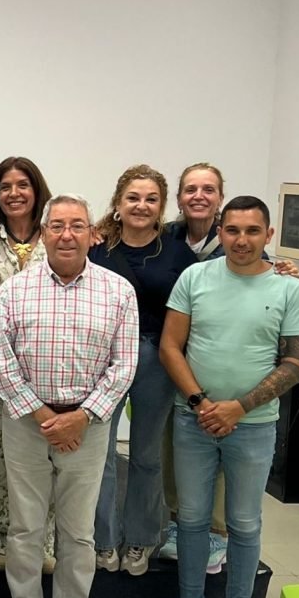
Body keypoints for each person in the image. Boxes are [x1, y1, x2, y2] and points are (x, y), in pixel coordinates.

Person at [0, 193, 139, 598]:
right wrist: (43, 417)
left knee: (78, 529)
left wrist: (80, 417)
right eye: (57, 226)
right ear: (43, 233)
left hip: (87, 426)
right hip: (26, 422)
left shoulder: (118, 291)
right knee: (25, 525)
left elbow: (124, 365)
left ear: (92, 234)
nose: (66, 235)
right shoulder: (15, 289)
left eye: (76, 226)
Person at [159, 195, 299, 598]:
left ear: (268, 235)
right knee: (191, 519)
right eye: (233, 230)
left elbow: (296, 363)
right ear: (220, 233)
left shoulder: (289, 288)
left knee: (243, 523)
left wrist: (239, 407)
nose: (242, 240)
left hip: (254, 426)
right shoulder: (194, 277)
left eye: (253, 231)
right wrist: (201, 403)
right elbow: (170, 346)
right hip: (193, 420)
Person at [87, 165, 197, 577]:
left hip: (156, 357)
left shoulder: (177, 254)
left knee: (146, 454)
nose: (141, 205)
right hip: (104, 358)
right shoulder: (96, 248)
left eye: (151, 199)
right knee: (100, 454)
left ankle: (141, 537)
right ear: (118, 202)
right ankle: (102, 538)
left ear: (162, 206)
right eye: (133, 197)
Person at [0, 156, 56, 572]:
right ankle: (2, 538)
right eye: (6, 187)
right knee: (1, 458)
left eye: (23, 185)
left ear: (37, 191)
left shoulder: (56, 234)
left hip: (49, 368)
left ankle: (45, 540)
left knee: (47, 459)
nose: (14, 193)